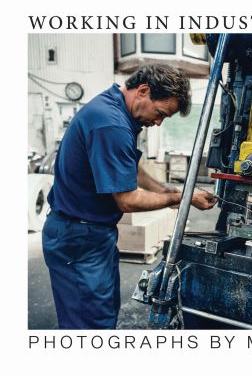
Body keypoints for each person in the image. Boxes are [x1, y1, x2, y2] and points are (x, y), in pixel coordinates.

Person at [42, 64, 217, 329]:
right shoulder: (110, 124)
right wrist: (182, 197)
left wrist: (164, 190)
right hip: (78, 238)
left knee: (102, 309)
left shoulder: (116, 109)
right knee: (89, 323)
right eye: (160, 114)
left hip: (90, 234)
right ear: (143, 91)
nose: (158, 123)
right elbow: (127, 199)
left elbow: (128, 167)